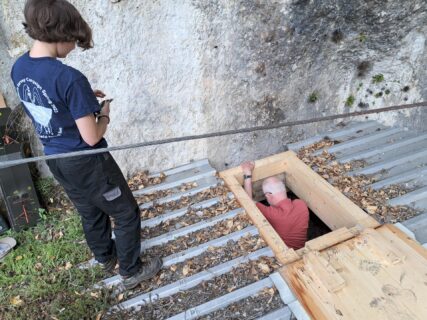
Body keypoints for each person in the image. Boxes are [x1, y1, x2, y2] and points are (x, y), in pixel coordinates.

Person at [10, 0, 161, 290]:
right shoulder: (69, 77)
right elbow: (92, 136)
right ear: (61, 34)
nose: (74, 48)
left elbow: (45, 102)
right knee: (126, 212)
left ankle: (105, 257)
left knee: (89, 210)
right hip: (87, 161)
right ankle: (131, 271)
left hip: (55, 157)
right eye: (74, 41)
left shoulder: (20, 67)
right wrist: (103, 114)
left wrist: (81, 97)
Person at [241, 161, 309, 249]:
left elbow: (247, 202)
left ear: (268, 195)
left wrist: (247, 173)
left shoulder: (272, 214)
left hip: (284, 255)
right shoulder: (301, 204)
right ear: (283, 188)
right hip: (302, 250)